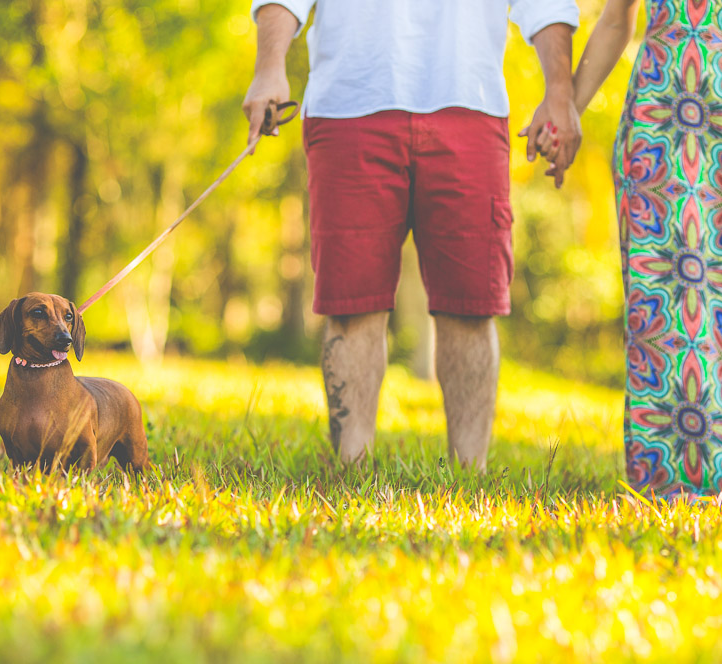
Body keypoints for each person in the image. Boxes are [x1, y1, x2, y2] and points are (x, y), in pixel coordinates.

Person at [244, 1, 581, 469]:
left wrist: (560, 95)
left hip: (471, 103)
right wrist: (268, 69)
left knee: (472, 304)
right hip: (349, 103)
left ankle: (470, 474)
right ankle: (351, 469)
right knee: (351, 301)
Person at [544, 0, 722, 503]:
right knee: (666, 309)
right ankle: (676, 476)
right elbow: (617, 21)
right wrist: (566, 108)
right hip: (658, 126)